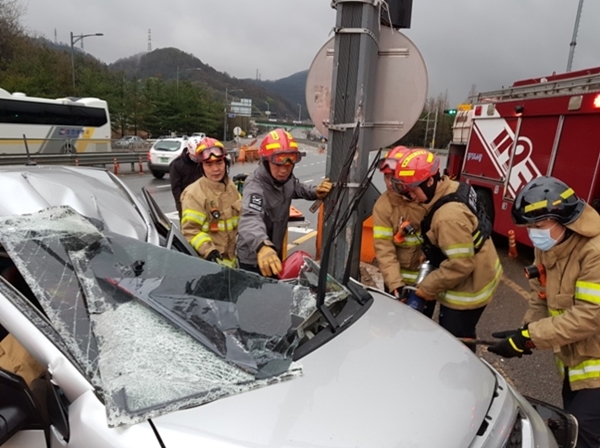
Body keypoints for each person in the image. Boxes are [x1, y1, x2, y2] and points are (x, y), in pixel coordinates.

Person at [488, 176, 600, 448]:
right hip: (574, 367)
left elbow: (590, 316)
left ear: (563, 220)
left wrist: (530, 337)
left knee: (584, 435)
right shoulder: (547, 248)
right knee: (571, 429)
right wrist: (523, 333)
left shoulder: (594, 252)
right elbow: (541, 298)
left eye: (539, 225)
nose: (533, 233)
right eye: (529, 227)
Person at [390, 148, 502, 342]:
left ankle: (462, 369)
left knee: (457, 341)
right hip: (484, 267)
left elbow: (461, 265)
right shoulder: (452, 187)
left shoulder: (447, 217)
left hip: (469, 290)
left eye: (414, 189)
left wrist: (428, 288)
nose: (411, 196)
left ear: (430, 181)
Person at [236, 129, 332, 277]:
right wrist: (262, 246)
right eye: (278, 164)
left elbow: (297, 187)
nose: (284, 170)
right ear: (267, 162)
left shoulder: (286, 180)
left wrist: (315, 191)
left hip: (274, 251)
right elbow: (250, 218)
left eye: (289, 164)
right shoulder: (255, 186)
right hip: (255, 258)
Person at [372, 146, 433, 315]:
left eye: (395, 178)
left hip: (427, 280)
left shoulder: (426, 198)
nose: (390, 183)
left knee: (422, 326)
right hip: (397, 283)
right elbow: (384, 249)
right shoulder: (383, 206)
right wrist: (395, 285)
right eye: (386, 177)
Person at [180, 137, 240, 267]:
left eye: (219, 162)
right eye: (209, 164)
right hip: (208, 266)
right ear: (201, 166)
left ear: (225, 162)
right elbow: (190, 231)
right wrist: (209, 250)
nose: (215, 169)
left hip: (233, 263)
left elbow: (241, 220)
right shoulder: (193, 194)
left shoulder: (231, 187)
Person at [169, 135, 205, 219]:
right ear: (189, 151)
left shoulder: (203, 162)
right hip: (186, 205)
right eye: (196, 157)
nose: (198, 159)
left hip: (203, 202)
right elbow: (176, 189)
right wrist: (181, 206)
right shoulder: (177, 165)